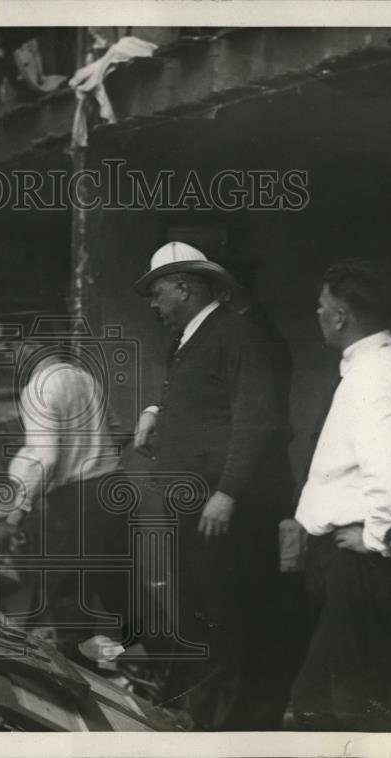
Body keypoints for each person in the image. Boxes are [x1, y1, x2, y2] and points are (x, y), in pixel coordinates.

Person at [132, 242, 290, 730]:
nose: (153, 305)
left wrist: (228, 492)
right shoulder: (189, 338)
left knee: (224, 614)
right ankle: (199, 715)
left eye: (158, 293)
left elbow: (256, 421)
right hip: (193, 503)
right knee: (198, 609)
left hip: (220, 506)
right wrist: (155, 413)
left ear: (185, 286)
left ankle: (223, 727)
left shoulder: (238, 335)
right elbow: (196, 394)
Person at [291, 258, 391, 731]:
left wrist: (377, 533)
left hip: (364, 561)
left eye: (321, 307)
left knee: (343, 706)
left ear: (340, 315)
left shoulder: (370, 377)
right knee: (377, 692)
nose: (317, 315)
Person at [0, 313, 128, 661]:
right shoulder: (84, 379)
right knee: (121, 595)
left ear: (30, 346)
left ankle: (82, 696)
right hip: (113, 490)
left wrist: (14, 517)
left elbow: (47, 458)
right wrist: (90, 450)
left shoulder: (38, 387)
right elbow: (118, 432)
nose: (11, 358)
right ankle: (165, 678)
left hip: (76, 501)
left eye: (12, 348)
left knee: (68, 602)